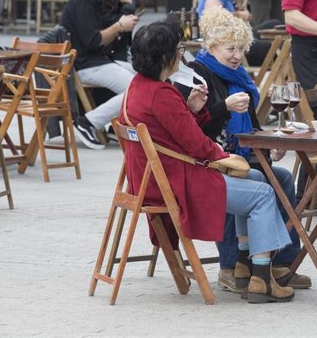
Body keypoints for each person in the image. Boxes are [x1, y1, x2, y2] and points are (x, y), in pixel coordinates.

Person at [122, 21, 294, 304]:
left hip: (153, 177)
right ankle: (262, 278)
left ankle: (242, 263)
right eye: (177, 50)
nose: (181, 55)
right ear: (165, 56)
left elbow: (177, 132)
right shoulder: (161, 93)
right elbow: (196, 145)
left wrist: (192, 110)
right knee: (262, 194)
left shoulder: (138, 86)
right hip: (176, 182)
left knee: (258, 178)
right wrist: (225, 157)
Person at [175, 7, 311, 294]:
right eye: (230, 49)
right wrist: (223, 108)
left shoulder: (241, 78)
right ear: (211, 48)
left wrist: (269, 146)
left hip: (238, 153)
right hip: (211, 157)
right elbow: (195, 130)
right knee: (248, 178)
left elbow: (254, 124)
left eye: (240, 48)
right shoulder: (199, 75)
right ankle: (230, 266)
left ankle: (280, 264)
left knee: (282, 177)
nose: (237, 55)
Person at [64, 0, 139, 149]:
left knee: (143, 78)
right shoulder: (83, 0)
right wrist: (119, 26)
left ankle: (116, 126)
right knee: (136, 90)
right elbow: (93, 40)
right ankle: (88, 122)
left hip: (98, 60)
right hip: (86, 64)